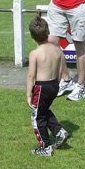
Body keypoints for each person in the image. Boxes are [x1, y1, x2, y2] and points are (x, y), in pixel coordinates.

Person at [26, 12, 70, 157]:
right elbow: (60, 69)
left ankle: (45, 146)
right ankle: (59, 131)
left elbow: (31, 75)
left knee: (37, 116)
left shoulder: (35, 53)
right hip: (54, 85)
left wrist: (28, 95)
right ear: (48, 32)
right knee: (43, 111)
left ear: (32, 36)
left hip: (41, 87)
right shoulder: (57, 50)